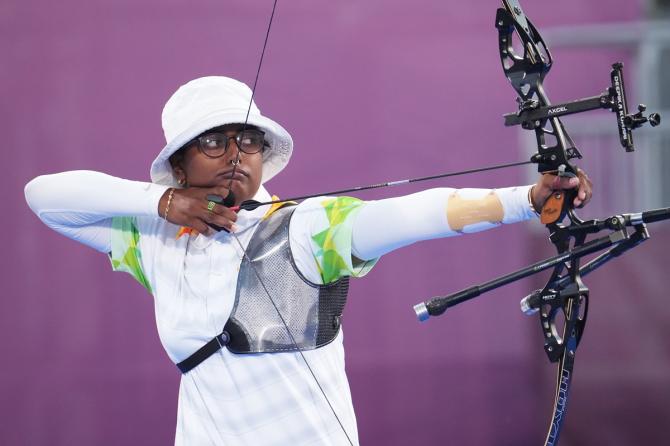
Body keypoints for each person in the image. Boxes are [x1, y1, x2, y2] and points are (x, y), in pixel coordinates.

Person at [24, 76, 592, 446]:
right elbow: (46, 196)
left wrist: (526, 200)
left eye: (247, 142)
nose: (235, 155)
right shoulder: (154, 240)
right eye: (214, 143)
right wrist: (163, 204)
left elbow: (409, 214)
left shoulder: (307, 227)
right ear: (179, 166)